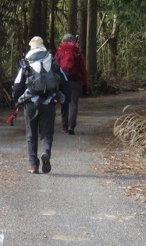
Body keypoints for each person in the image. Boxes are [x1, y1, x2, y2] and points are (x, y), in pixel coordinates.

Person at [11, 36, 68, 174]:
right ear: (43, 46)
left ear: (31, 47)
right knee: (46, 133)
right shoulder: (52, 61)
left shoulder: (26, 63)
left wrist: (17, 101)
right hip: (49, 103)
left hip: (30, 104)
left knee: (31, 135)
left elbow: (17, 86)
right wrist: (62, 99)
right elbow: (65, 83)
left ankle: (33, 165)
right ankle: (46, 152)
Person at [54, 33, 89, 135]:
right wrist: (85, 84)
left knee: (64, 103)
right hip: (75, 82)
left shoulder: (59, 52)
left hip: (63, 82)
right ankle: (71, 126)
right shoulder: (77, 53)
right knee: (73, 104)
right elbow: (83, 70)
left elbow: (54, 67)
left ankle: (64, 126)